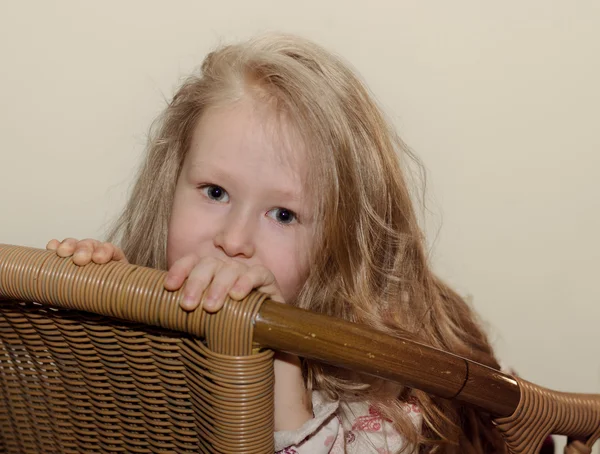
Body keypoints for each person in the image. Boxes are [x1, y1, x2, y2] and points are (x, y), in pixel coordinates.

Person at [47, 33, 509, 453]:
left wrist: (280, 358)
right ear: (169, 184)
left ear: (338, 244)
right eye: (215, 192)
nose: (233, 240)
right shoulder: (147, 318)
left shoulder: (382, 391)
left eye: (283, 215)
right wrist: (94, 314)